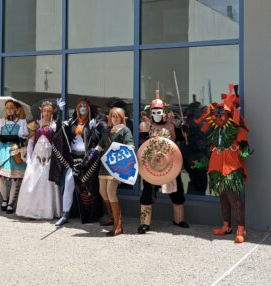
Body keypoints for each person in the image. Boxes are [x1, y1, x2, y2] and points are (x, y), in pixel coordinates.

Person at [195, 84, 251, 243]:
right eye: (216, 116)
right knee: (222, 197)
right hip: (216, 167)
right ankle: (226, 226)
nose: (218, 118)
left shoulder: (237, 130)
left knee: (233, 197)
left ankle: (241, 229)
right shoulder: (215, 132)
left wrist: (245, 152)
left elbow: (245, 147)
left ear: (230, 115)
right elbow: (210, 149)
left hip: (231, 167)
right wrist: (202, 163)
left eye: (222, 116)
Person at [138, 90, 189, 234]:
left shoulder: (171, 125)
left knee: (177, 191)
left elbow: (182, 139)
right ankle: (144, 223)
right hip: (151, 165)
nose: (156, 114)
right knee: (148, 192)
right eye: (154, 111)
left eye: (159, 111)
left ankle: (179, 219)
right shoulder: (146, 126)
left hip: (170, 163)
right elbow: (143, 144)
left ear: (164, 111)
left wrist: (184, 129)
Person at [49, 98, 103, 226]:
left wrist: (95, 129)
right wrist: (61, 112)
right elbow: (59, 129)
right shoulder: (71, 122)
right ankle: (65, 214)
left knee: (89, 187)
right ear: (77, 109)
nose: (83, 108)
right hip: (73, 159)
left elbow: (99, 139)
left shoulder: (92, 123)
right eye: (80, 106)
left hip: (87, 160)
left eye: (85, 106)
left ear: (88, 108)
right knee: (68, 185)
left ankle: (91, 215)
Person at [16, 101, 61, 219]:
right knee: (33, 182)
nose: (46, 113)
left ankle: (48, 210)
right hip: (36, 159)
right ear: (41, 111)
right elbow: (30, 143)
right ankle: (31, 210)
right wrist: (29, 159)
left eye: (49, 111)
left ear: (52, 112)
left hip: (49, 159)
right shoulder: (35, 124)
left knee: (48, 184)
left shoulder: (55, 125)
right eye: (45, 111)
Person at [96, 107, 134, 236]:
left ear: (122, 118)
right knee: (102, 192)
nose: (115, 118)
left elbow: (130, 146)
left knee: (111, 192)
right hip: (104, 166)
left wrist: (125, 149)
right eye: (113, 116)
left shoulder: (125, 130)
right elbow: (100, 145)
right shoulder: (107, 130)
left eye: (117, 116)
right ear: (110, 117)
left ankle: (118, 226)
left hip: (117, 167)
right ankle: (112, 218)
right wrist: (93, 152)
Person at [0, 100, 28, 214]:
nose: (9, 110)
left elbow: (23, 137)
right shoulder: (1, 121)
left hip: (15, 150)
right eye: (7, 108)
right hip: (2, 150)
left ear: (16, 109)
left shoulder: (22, 122)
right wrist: (2, 137)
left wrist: (14, 138)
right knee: (0, 176)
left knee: (15, 177)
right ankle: (5, 199)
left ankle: (10, 203)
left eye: (12, 108)